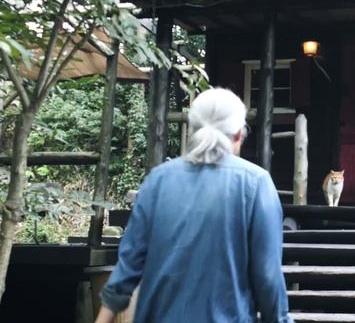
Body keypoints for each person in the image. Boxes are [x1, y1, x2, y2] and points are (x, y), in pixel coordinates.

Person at [95, 88, 292, 323]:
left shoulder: (157, 180)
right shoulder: (255, 183)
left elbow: (128, 266)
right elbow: (268, 277)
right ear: (239, 134)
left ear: (193, 129)